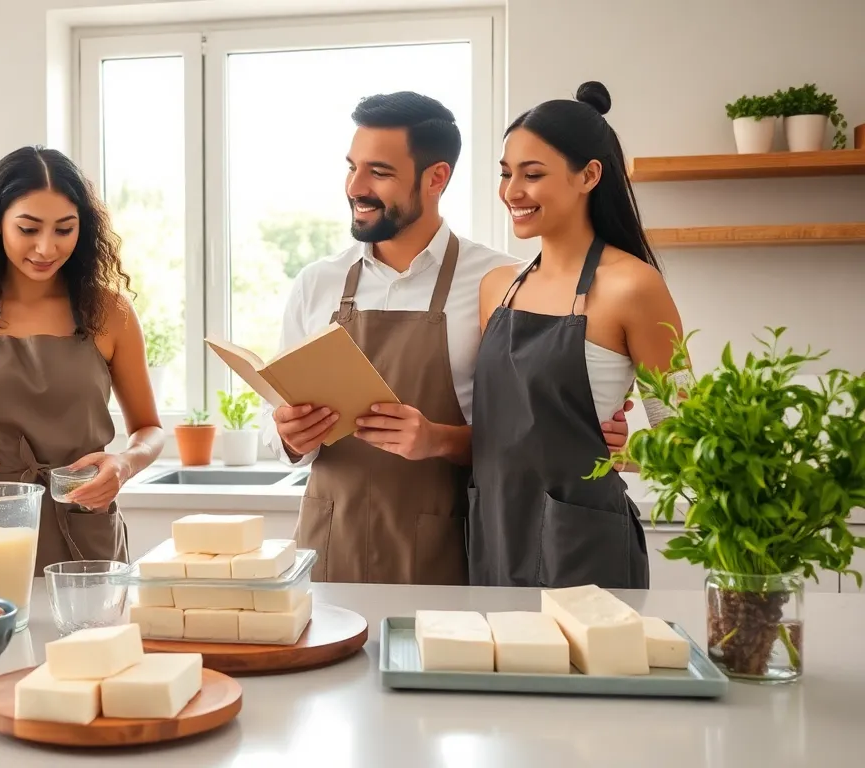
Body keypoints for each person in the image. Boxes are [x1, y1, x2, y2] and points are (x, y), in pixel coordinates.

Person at [264, 91, 633, 585]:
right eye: (352, 167)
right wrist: (288, 437)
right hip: (330, 545)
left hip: (449, 548)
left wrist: (439, 440)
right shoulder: (317, 283)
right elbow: (275, 432)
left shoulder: (503, 282)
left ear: (436, 177)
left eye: (379, 172)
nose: (355, 186)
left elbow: (521, 439)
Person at [468, 81, 683, 590]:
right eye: (505, 174)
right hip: (494, 531)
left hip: (582, 540)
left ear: (589, 175)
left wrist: (625, 452)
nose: (511, 192)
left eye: (532, 174)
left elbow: (688, 432)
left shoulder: (633, 286)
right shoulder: (497, 288)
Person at [0, 146, 164, 574]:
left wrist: (125, 464)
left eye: (64, 230)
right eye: (28, 229)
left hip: (85, 524)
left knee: (92, 640)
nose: (46, 248)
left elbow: (150, 429)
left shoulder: (111, 313)